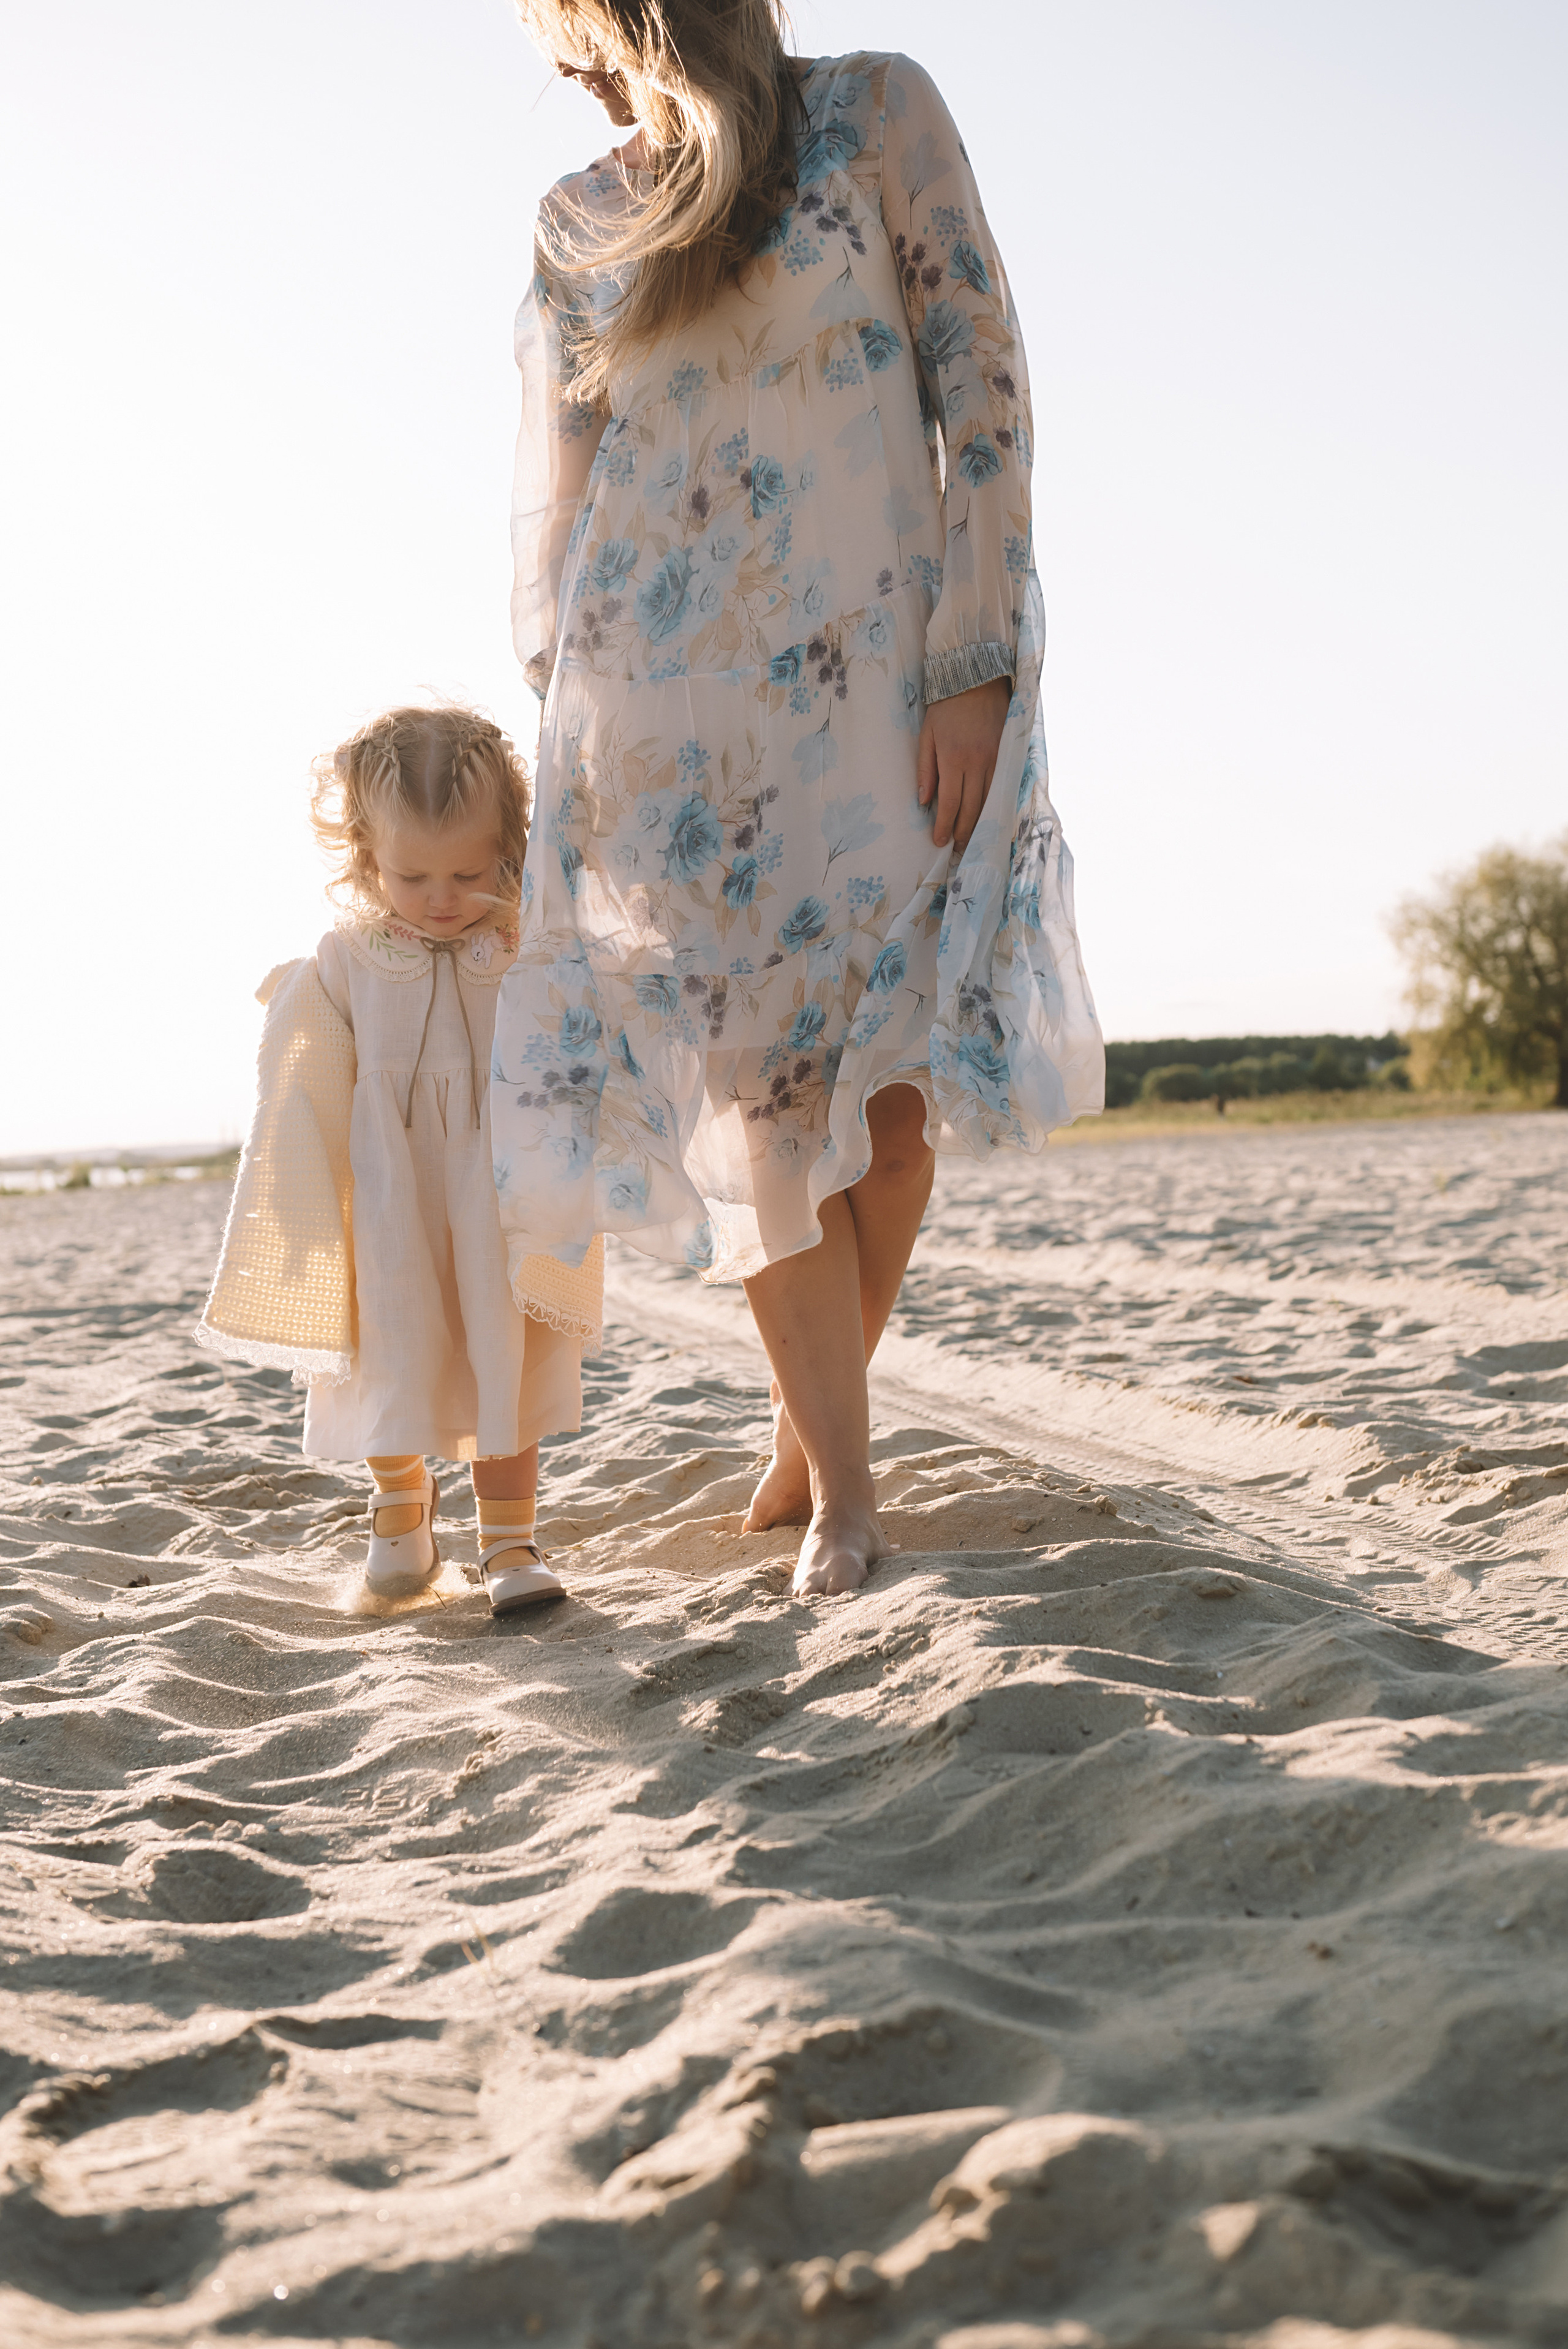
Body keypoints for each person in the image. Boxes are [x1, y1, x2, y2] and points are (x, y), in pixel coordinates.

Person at [497, 3, 1102, 1599]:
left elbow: (983, 385)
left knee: (890, 1123)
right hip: (666, 719)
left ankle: (799, 1423)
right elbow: (559, 498)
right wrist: (568, 728)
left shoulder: (876, 113)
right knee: (763, 1114)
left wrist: (974, 655)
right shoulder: (576, 217)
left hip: (882, 678)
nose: (565, 72)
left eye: (573, 31)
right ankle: (842, 1485)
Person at [197, 707, 603, 1618]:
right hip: (390, 1201)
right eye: (412, 876)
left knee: (503, 1350)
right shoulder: (346, 962)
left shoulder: (527, 949)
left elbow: (580, 1051)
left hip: (499, 1198)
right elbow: (299, 1090)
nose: (442, 898)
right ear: (366, 856)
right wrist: (301, 1206)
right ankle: (400, 1504)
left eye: (469, 872)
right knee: (390, 1341)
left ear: (509, 848)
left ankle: (509, 1540)